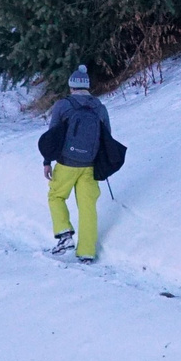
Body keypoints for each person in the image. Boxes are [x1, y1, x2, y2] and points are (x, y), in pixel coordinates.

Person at [39, 65, 114, 261]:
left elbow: (52, 136)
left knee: (56, 196)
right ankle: (87, 252)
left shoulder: (63, 106)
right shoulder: (99, 107)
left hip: (66, 164)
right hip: (89, 166)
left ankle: (64, 234)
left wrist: (47, 161)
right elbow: (107, 137)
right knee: (88, 207)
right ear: (87, 87)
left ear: (71, 87)